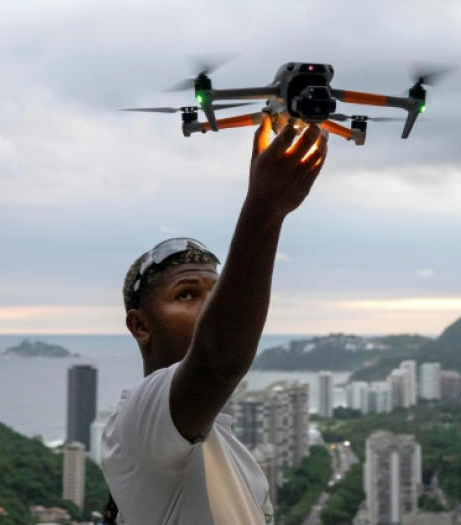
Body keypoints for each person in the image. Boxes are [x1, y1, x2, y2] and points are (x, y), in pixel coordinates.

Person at [101, 115, 329, 525]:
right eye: (185, 295)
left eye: (216, 293)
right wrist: (264, 209)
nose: (208, 307)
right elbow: (215, 363)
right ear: (140, 326)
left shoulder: (222, 445)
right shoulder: (139, 421)